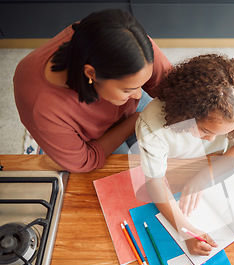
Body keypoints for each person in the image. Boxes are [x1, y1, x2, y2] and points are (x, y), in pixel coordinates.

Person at [136, 54, 234, 256]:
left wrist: (205, 176)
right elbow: (155, 181)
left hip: (208, 165)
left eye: (223, 134)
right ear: (186, 113)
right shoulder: (152, 127)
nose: (212, 139)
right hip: (172, 168)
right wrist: (186, 231)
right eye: (205, 130)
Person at [13, 9, 171, 172]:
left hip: (127, 114)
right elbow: (84, 160)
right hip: (94, 142)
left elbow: (171, 86)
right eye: (128, 89)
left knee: (173, 153)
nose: (140, 95)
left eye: (142, 84)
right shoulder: (41, 106)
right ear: (91, 74)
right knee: (137, 177)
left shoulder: (128, 42)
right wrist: (138, 120)